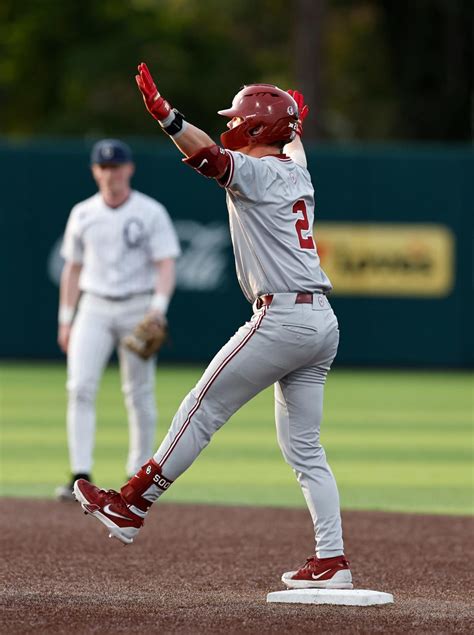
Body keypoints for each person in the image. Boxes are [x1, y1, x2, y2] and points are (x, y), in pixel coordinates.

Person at [74, 64, 352, 590]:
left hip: (283, 318)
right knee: (306, 450)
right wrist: (292, 125)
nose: (231, 124)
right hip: (321, 322)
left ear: (253, 130)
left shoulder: (257, 172)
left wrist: (167, 116)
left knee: (201, 407)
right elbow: (291, 146)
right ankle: (332, 559)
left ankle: (132, 506)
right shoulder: (295, 169)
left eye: (240, 117)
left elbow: (204, 155)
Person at [56, 138, 181, 501]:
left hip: (137, 306)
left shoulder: (150, 211)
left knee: (138, 391)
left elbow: (166, 263)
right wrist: (66, 318)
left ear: (130, 169)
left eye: (117, 166)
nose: (111, 173)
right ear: (95, 171)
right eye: (104, 167)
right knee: (80, 387)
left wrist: (158, 308)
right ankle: (79, 475)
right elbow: (73, 268)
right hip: (93, 306)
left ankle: (136, 474)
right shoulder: (83, 213)